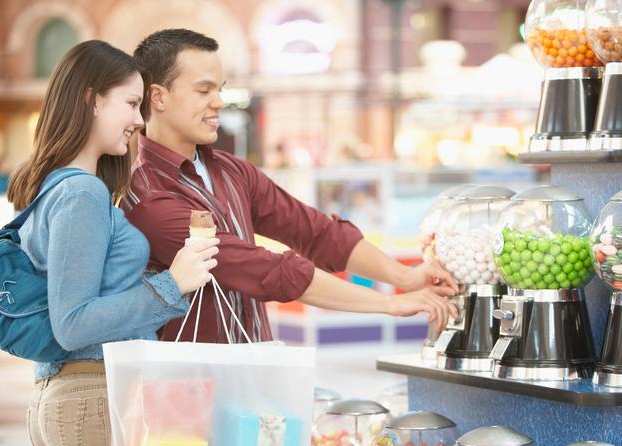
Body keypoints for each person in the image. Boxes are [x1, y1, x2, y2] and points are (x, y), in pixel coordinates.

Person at [123, 29, 457, 345]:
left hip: (252, 371)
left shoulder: (232, 171)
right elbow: (265, 270)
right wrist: (389, 304)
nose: (219, 102)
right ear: (158, 97)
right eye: (204, 90)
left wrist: (405, 277)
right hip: (188, 387)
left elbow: (316, 231)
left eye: (220, 89)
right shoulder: (150, 198)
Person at [7, 40, 219, 446]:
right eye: (131, 103)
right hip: (92, 395)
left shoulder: (50, 187)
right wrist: (172, 283)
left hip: (63, 397)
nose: (140, 120)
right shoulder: (83, 192)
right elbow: (73, 323)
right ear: (92, 99)